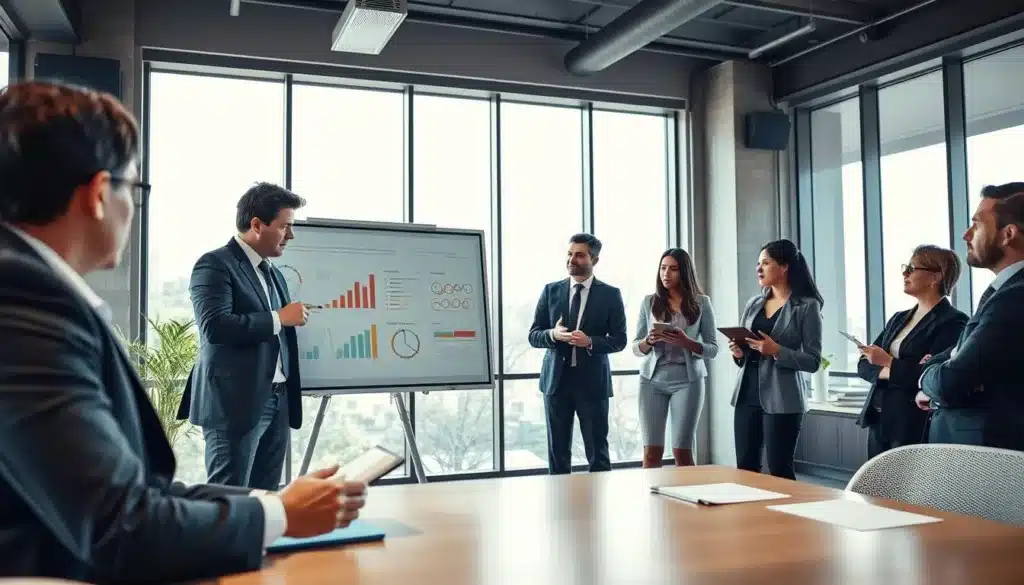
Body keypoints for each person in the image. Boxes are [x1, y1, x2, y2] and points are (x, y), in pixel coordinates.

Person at [0, 81, 365, 582]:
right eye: (136, 189)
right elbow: (121, 526)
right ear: (99, 194)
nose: (136, 207)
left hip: (273, 399)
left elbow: (136, 492)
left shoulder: (33, 292)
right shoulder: (22, 301)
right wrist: (281, 514)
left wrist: (278, 505)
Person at [177, 183, 309, 489]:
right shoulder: (214, 264)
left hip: (277, 401)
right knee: (230, 496)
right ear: (256, 225)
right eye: (285, 227)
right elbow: (215, 326)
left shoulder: (272, 272)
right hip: (234, 405)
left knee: (266, 500)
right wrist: (279, 318)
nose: (291, 236)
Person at [917, 183, 1024, 451]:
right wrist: (950, 365)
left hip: (986, 458)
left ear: (1008, 234)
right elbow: (955, 357)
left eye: (976, 225)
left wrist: (924, 379)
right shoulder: (1003, 292)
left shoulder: (1014, 298)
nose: (966, 235)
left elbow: (949, 381)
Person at [528, 233, 627, 474]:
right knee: (557, 453)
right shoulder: (551, 291)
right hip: (556, 383)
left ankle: (599, 507)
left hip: (592, 384)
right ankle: (560, 507)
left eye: (580, 255)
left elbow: (620, 340)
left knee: (598, 453)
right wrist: (554, 335)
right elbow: (534, 335)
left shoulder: (610, 295)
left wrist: (589, 342)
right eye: (570, 254)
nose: (572, 259)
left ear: (594, 260)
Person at [855, 245, 967, 458]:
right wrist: (892, 367)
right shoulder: (899, 318)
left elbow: (932, 376)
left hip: (911, 421)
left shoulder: (954, 321)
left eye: (912, 268)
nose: (905, 273)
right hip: (878, 416)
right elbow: (863, 364)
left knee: (901, 490)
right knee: (872, 488)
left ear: (935, 277)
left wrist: (887, 362)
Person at [729, 239, 822, 479]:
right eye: (758, 263)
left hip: (783, 397)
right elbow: (747, 349)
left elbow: (813, 361)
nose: (758, 269)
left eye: (766, 263)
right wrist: (739, 353)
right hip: (746, 394)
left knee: (780, 470)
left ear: (784, 267)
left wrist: (777, 350)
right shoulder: (754, 303)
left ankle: (788, 516)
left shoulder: (807, 306)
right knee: (746, 469)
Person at [632, 248, 719, 468]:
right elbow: (635, 347)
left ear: (684, 272)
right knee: (652, 452)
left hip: (688, 381)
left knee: (682, 451)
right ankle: (650, 500)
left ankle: (690, 500)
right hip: (651, 380)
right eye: (663, 268)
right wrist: (649, 341)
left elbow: (713, 348)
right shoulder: (648, 302)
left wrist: (686, 342)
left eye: (673, 269)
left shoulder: (702, 303)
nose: (666, 274)